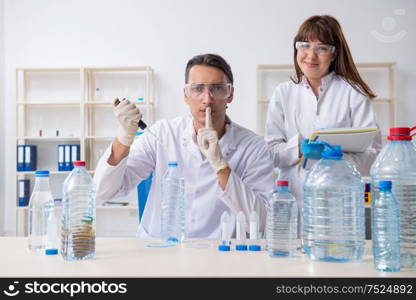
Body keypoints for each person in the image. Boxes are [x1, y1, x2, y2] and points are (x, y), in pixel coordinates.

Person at [94, 53, 274, 238]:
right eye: (197, 89)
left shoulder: (253, 147)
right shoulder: (163, 134)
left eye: (218, 88)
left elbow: (262, 221)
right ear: (186, 95)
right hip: (159, 251)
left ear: (230, 94)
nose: (207, 99)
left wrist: (221, 166)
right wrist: (124, 138)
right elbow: (103, 192)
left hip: (219, 257)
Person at [265, 15, 382, 230]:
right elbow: (270, 153)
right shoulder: (283, 93)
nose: (311, 55)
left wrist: (335, 157)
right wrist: (297, 149)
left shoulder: (353, 93)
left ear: (334, 53)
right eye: (304, 45)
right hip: (293, 205)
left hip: (341, 207)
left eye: (321, 48)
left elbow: (373, 157)